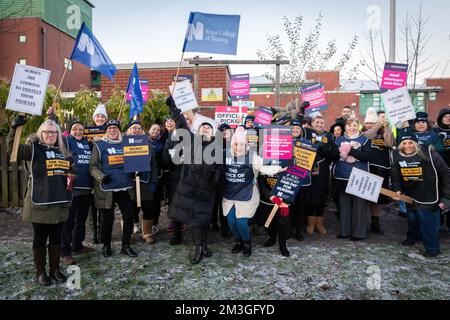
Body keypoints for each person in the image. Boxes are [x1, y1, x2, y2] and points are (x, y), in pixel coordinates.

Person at [7, 116, 72, 286]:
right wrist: (14, 129)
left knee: (57, 238)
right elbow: (12, 150)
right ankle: (41, 272)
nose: (50, 135)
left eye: (53, 132)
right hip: (40, 203)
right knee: (40, 238)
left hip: (59, 202)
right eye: (46, 132)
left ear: (58, 134)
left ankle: (55, 269)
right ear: (41, 133)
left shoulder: (63, 151)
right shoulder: (33, 149)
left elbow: (70, 172)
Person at [165, 97, 223, 264]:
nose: (205, 129)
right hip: (190, 190)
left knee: (203, 220)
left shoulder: (217, 148)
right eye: (203, 127)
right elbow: (182, 123)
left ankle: (203, 244)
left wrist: (215, 177)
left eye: (209, 128)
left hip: (207, 191)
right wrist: (173, 107)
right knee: (196, 221)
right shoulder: (191, 141)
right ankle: (198, 247)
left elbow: (220, 169)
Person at [223, 126, 284, 257]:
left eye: (241, 144)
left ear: (246, 144)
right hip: (230, 194)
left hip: (247, 194)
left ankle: (246, 243)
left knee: (241, 222)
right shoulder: (225, 154)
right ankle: (238, 241)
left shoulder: (252, 156)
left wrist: (280, 168)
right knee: (231, 221)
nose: (238, 147)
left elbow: (264, 168)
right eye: (236, 144)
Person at [391, 135, 450, 257]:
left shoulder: (429, 154)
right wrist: (397, 190)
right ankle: (412, 238)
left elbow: (445, 173)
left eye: (411, 142)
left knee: (426, 221)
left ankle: (432, 248)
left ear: (416, 143)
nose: (408, 146)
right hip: (410, 195)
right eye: (404, 143)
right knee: (412, 218)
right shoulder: (396, 156)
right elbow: (396, 178)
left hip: (429, 194)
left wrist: (446, 197)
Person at [90, 119, 137, 258]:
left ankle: (126, 245)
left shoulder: (127, 143)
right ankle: (106, 245)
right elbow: (93, 166)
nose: (112, 130)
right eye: (109, 128)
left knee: (129, 217)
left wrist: (137, 170)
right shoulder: (99, 145)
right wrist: (101, 176)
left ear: (119, 130)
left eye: (115, 128)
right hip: (107, 189)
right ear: (106, 130)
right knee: (107, 219)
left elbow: (135, 160)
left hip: (125, 187)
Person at [61, 120, 94, 266]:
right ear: (70, 131)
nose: (78, 131)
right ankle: (65, 252)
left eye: (81, 129)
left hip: (86, 188)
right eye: (75, 129)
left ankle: (77, 245)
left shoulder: (88, 143)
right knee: (68, 222)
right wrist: (52, 117)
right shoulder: (67, 141)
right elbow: (56, 135)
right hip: (72, 188)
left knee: (81, 220)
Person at [333, 118, 371, 240]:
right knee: (344, 205)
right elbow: (334, 156)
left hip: (359, 176)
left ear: (358, 126)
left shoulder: (364, 140)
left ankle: (358, 233)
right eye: (349, 126)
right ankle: (345, 231)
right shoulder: (339, 139)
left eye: (354, 125)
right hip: (342, 175)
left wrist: (350, 150)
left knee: (359, 206)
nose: (352, 128)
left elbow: (367, 156)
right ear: (346, 127)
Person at [362, 108, 395, 235]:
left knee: (377, 199)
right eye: (368, 123)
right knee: (366, 198)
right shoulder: (363, 133)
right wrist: (377, 125)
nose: (369, 125)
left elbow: (390, 143)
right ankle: (363, 223)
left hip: (383, 168)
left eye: (372, 122)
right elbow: (369, 135)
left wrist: (386, 128)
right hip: (369, 168)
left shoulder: (383, 131)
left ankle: (375, 223)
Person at [304, 112, 337, 235]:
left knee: (321, 196)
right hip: (308, 168)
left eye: (321, 122)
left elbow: (334, 154)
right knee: (310, 196)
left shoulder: (329, 136)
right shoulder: (307, 133)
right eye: (316, 122)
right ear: (312, 123)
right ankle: (310, 223)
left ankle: (319, 223)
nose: (319, 124)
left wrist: (323, 148)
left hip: (322, 168)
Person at [126, 120, 159, 245]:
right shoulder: (122, 144)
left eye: (139, 128)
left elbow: (154, 165)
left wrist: (154, 182)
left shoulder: (148, 145)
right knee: (129, 210)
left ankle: (147, 233)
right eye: (134, 128)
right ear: (129, 130)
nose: (136, 130)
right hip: (130, 183)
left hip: (145, 182)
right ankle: (128, 233)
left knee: (148, 208)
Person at [257, 173, 291, 256]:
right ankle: (272, 238)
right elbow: (261, 183)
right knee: (269, 222)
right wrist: (271, 196)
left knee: (283, 224)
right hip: (267, 200)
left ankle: (282, 244)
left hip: (283, 202)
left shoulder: (289, 164)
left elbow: (294, 184)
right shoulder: (265, 163)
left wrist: (287, 201)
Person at [290, 119, 310, 241]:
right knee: (288, 206)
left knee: (300, 207)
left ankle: (298, 230)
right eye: (293, 128)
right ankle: (288, 229)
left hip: (303, 179)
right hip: (288, 178)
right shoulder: (283, 142)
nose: (295, 130)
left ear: (301, 131)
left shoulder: (306, 143)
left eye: (298, 128)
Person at [212, 123, 232, 238]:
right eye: (222, 130)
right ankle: (214, 223)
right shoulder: (214, 144)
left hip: (229, 178)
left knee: (224, 205)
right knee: (215, 203)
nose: (225, 132)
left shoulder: (233, 144)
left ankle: (225, 228)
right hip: (216, 179)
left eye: (227, 130)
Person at [434, 108, 450, 233]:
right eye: (445, 116)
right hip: (439, 167)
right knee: (439, 194)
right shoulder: (435, 131)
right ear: (441, 118)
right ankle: (439, 222)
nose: (448, 118)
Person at [148, 123, 165, 236]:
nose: (155, 131)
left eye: (158, 130)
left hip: (158, 177)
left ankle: (155, 224)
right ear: (149, 130)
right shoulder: (143, 141)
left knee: (156, 202)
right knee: (146, 203)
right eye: (153, 129)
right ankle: (144, 225)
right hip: (144, 177)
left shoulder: (162, 144)